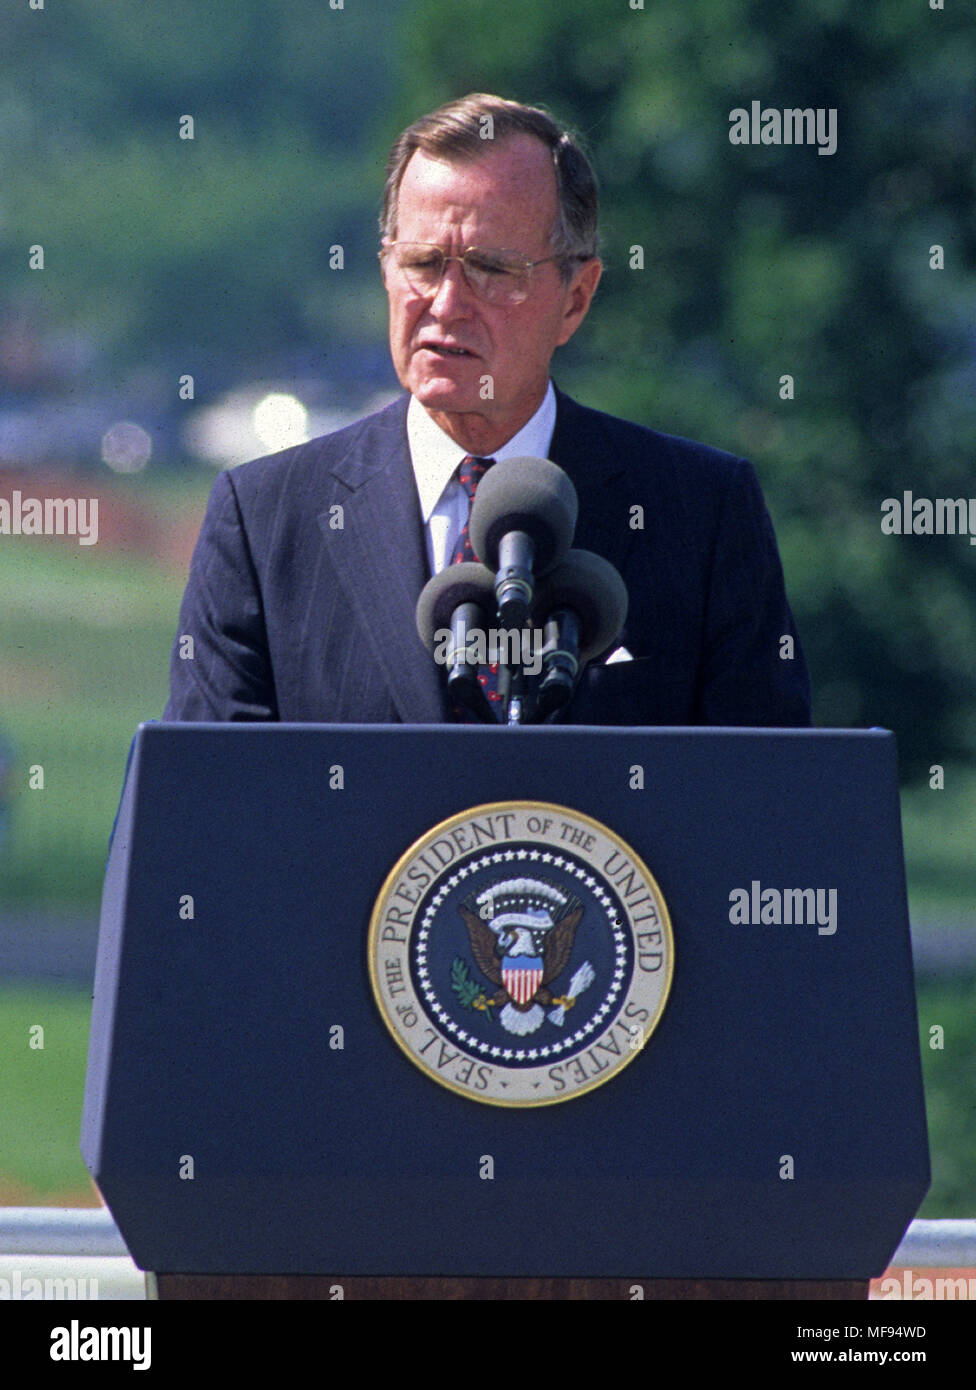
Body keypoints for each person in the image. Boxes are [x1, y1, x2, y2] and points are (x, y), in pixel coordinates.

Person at [164, 93, 811, 727]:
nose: (445, 303)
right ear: (386, 268)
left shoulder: (701, 515)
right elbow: (210, 810)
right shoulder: (266, 521)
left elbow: (766, 805)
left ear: (576, 298)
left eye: (490, 269)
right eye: (421, 262)